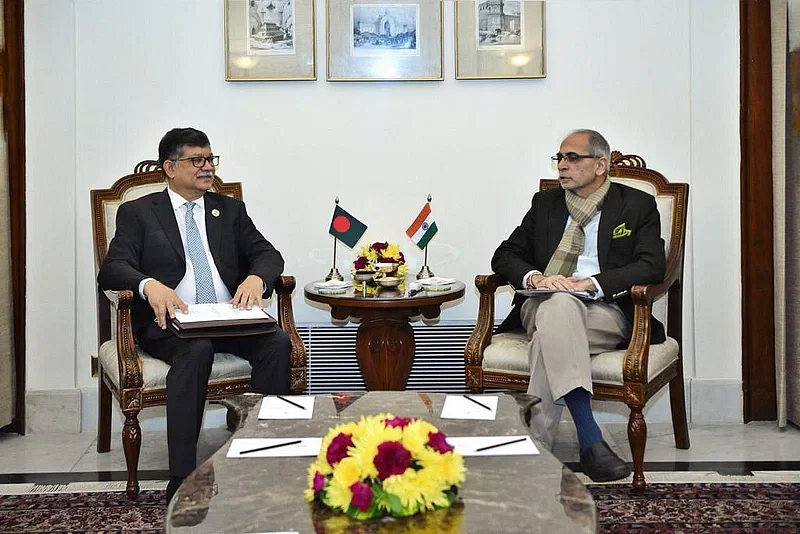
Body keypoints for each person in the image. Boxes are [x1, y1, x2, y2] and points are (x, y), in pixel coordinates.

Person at [97, 127, 291, 501]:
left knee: (277, 344)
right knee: (196, 349)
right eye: (196, 160)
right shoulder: (138, 212)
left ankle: (262, 463)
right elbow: (113, 267)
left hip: (228, 316)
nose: (207, 168)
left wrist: (255, 277)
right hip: (169, 323)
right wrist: (148, 285)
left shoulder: (230, 210)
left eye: (210, 159)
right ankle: (183, 478)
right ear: (170, 167)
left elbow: (268, 254)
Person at [491, 129, 666, 482]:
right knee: (558, 307)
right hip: (540, 305)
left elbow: (652, 264)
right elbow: (505, 255)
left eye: (572, 158)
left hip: (605, 310)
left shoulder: (636, 205)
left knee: (552, 333)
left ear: (600, 165)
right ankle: (590, 437)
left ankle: (533, 448)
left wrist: (592, 284)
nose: (562, 166)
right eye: (559, 158)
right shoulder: (546, 205)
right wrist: (537, 279)